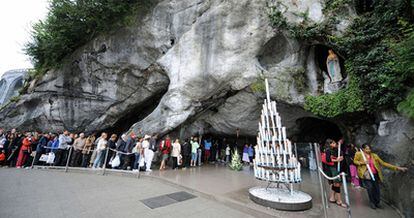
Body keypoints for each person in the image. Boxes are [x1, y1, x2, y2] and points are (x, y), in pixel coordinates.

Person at [354, 143, 408, 209]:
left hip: (375, 174)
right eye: (366, 149)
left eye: (369, 149)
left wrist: (398, 168)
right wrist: (363, 162)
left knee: (376, 189)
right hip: (366, 175)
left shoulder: (374, 156)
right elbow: (355, 161)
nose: (368, 150)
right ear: (363, 149)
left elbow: (383, 163)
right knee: (370, 188)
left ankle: (377, 202)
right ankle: (372, 202)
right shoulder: (359, 154)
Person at [323, 139, 346, 208]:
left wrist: (341, 157)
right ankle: (339, 200)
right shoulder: (328, 150)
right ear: (329, 144)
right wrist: (337, 160)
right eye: (333, 143)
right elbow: (328, 159)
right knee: (337, 183)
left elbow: (341, 154)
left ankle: (332, 197)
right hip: (331, 168)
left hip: (335, 168)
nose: (335, 143)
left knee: (335, 183)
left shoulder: (336, 149)